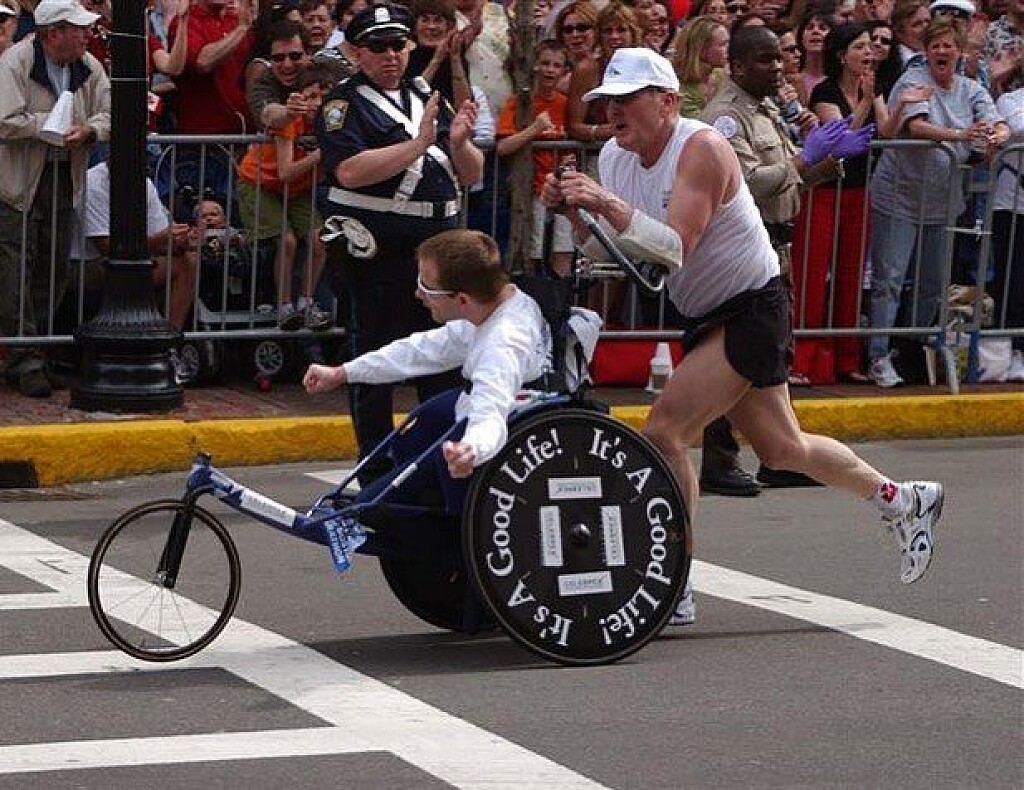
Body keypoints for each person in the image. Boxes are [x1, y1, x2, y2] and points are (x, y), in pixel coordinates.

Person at [541, 47, 946, 629]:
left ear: (667, 102)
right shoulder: (614, 155)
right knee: (783, 449)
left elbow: (673, 248)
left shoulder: (701, 147)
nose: (614, 112)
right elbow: (620, 254)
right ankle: (903, 498)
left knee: (665, 432)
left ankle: (674, 580)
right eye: (608, 101)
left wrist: (602, 201)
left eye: (627, 99)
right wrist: (578, 215)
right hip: (705, 310)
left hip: (751, 304)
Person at [314, 1, 483, 484]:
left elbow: (472, 173)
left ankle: (436, 461)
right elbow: (349, 170)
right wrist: (416, 145)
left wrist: (459, 143)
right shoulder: (344, 104)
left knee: (442, 358)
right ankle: (375, 467)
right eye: (378, 47)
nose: (391, 55)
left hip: (439, 249)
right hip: (382, 254)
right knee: (374, 360)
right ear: (356, 53)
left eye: (398, 45)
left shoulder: (425, 96)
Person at [303, 228, 550, 493]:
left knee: (374, 504)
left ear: (462, 299)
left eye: (427, 287)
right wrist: (342, 372)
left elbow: (490, 411)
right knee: (417, 430)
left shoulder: (502, 344)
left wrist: (471, 449)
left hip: (493, 433)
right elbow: (420, 351)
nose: (418, 294)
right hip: (478, 410)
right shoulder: (499, 303)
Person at [867, 17, 1007, 387]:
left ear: (960, 52)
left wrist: (996, 135)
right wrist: (962, 135)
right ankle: (878, 354)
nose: (941, 51)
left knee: (932, 283)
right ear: (926, 51)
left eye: (948, 45)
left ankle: (910, 350)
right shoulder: (913, 81)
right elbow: (917, 126)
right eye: (935, 46)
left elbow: (996, 121)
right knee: (889, 279)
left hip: (944, 202)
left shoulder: (972, 89)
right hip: (899, 196)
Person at [0, 0, 110, 398]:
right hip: (20, 182)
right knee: (17, 269)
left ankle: (40, 353)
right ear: (53, 34)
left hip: (64, 176)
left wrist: (89, 131)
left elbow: (110, 111)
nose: (86, 34)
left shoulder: (89, 67)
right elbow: (4, 119)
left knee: (53, 266)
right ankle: (23, 359)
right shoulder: (16, 62)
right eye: (77, 28)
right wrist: (50, 127)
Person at [790, 22, 889, 384]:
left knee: (851, 276)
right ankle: (801, 360)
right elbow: (841, 138)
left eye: (870, 47)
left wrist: (892, 103)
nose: (868, 53)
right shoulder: (825, 91)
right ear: (841, 55)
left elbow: (887, 131)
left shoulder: (873, 88)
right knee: (812, 276)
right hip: (823, 191)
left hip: (859, 192)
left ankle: (847, 360)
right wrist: (864, 101)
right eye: (860, 47)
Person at [238, 46, 334, 331]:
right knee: (287, 241)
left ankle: (306, 302)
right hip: (261, 182)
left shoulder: (334, 123)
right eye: (311, 96)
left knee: (319, 240)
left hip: (298, 189)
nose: (318, 103)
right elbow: (285, 171)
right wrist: (323, 154)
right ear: (299, 98)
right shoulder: (290, 121)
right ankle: (284, 306)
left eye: (323, 96)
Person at [71, 161, 198, 334]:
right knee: (180, 265)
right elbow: (107, 248)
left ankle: (170, 337)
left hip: (133, 256)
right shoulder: (92, 184)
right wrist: (161, 240)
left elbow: (160, 236)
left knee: (187, 258)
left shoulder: (144, 184)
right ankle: (168, 338)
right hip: (86, 264)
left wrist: (179, 242)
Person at [495, 39, 573, 275]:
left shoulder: (566, 104)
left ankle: (561, 294)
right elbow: (503, 146)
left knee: (563, 251)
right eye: (545, 63)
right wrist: (535, 129)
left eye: (556, 65)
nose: (550, 70)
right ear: (535, 66)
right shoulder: (518, 102)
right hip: (532, 191)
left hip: (563, 190)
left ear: (564, 70)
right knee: (534, 253)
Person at [991, 86, 1024, 381]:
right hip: (1011, 203)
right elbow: (1017, 127)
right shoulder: (1010, 100)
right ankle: (1013, 351)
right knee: (1013, 280)